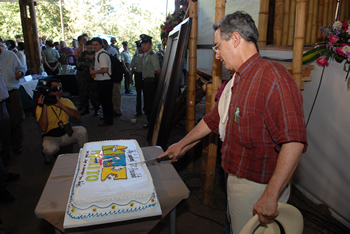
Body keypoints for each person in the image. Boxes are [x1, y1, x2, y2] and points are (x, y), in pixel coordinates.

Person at [158, 11, 308, 233]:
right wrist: (181, 145)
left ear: (235, 39)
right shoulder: (235, 81)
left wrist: (271, 194)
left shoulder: (273, 78)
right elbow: (212, 121)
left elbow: (294, 142)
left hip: (258, 187)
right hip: (235, 182)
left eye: (218, 46)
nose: (217, 55)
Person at [36, 79, 88, 164]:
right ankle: (48, 157)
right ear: (49, 90)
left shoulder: (65, 101)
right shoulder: (41, 106)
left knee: (82, 131)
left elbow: (77, 116)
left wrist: (62, 106)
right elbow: (42, 128)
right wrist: (44, 105)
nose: (59, 91)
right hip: (51, 136)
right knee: (49, 150)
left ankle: (85, 155)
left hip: (65, 133)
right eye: (55, 89)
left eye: (61, 88)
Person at [0, 44, 25, 155]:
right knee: (3, 123)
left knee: (16, 120)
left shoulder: (10, 55)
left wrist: (20, 74)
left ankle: (17, 145)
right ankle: (5, 150)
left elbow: (21, 69)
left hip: (12, 92)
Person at [90, 37, 113, 126]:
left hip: (105, 81)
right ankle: (107, 118)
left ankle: (108, 121)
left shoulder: (102, 55)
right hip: (102, 80)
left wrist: (94, 71)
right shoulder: (98, 54)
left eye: (96, 44)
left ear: (101, 45)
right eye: (93, 45)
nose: (94, 46)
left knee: (106, 102)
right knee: (105, 102)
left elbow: (105, 69)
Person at [140, 34, 161, 128]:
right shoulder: (146, 55)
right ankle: (150, 123)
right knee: (147, 104)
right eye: (142, 43)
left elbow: (158, 71)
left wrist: (159, 84)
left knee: (151, 105)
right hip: (146, 83)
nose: (143, 45)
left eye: (145, 43)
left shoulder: (152, 55)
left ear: (150, 44)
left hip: (151, 83)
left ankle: (152, 124)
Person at [77, 40, 100, 116]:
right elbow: (79, 64)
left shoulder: (96, 53)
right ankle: (86, 108)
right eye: (88, 48)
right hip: (85, 76)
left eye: (91, 48)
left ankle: (96, 109)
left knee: (95, 93)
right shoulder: (83, 54)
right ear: (86, 47)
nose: (90, 49)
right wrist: (79, 65)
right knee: (85, 92)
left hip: (95, 76)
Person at [130, 40, 144, 116]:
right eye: (138, 47)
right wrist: (131, 78)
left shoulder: (147, 55)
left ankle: (146, 109)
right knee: (138, 94)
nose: (139, 48)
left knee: (146, 93)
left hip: (145, 75)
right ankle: (138, 111)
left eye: (140, 46)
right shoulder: (135, 56)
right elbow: (132, 68)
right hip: (138, 75)